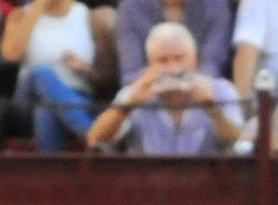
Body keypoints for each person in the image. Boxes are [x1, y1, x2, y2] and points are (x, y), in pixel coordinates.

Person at [86, 21, 240, 154]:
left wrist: (212, 109)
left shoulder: (221, 90)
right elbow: (95, 139)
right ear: (150, 63)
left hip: (208, 181)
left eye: (179, 58)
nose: (172, 68)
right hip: (147, 182)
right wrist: (127, 106)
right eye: (162, 61)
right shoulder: (136, 92)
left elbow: (237, 143)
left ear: (194, 59)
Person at [1, 0, 103, 151]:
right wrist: (40, 3)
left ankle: (50, 178)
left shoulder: (88, 16)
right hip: (27, 102)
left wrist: (85, 70)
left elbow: (103, 79)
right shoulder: (21, 14)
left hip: (78, 97)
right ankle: (93, 136)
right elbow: (11, 55)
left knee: (46, 111)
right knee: (41, 72)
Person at [114, 0, 230, 85]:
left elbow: (212, 65)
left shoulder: (215, 5)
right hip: (148, 92)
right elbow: (131, 71)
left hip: (200, 90)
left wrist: (185, 85)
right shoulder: (131, 7)